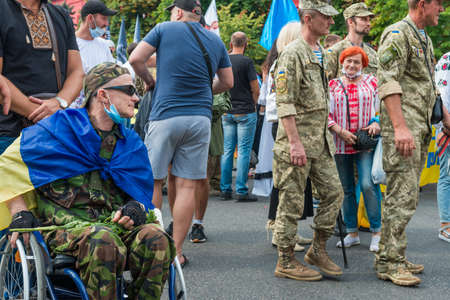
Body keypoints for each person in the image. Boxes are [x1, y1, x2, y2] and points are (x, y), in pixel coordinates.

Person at [1, 62, 175, 300]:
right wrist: (19, 211)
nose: (136, 98)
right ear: (102, 95)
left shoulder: (131, 143)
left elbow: (140, 194)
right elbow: (8, 165)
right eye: (130, 90)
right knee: (102, 238)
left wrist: (135, 208)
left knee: (157, 238)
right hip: (64, 228)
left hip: (114, 225)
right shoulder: (58, 129)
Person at [129, 0, 233, 266]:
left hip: (165, 115)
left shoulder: (164, 28)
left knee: (154, 181)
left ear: (177, 11)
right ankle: (175, 251)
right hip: (199, 119)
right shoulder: (214, 39)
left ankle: (151, 247)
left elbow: (135, 58)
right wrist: (204, 92)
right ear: (198, 14)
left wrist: (149, 80)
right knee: (188, 185)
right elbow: (228, 82)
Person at [272, 0, 344, 281]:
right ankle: (286, 260)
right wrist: (294, 143)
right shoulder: (292, 54)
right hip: (297, 142)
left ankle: (318, 249)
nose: (330, 22)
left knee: (334, 193)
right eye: (325, 18)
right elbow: (285, 102)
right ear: (308, 18)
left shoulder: (322, 52)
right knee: (290, 203)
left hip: (321, 142)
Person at [374, 0, 444, 287]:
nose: (442, 9)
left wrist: (445, 119)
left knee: (408, 197)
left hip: (418, 128)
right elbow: (387, 82)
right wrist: (400, 127)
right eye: (439, 4)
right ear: (423, 4)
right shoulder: (397, 34)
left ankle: (394, 255)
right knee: (400, 197)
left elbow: (429, 85)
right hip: (403, 131)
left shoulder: (421, 37)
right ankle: (389, 263)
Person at [256, 23, 313, 252]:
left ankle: (289, 228)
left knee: (294, 180)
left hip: (288, 123)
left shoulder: (283, 61)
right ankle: (280, 230)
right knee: (288, 180)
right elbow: (277, 101)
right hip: (284, 123)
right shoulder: (284, 63)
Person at [0, 0, 84, 154]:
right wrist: (40, 113)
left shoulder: (60, 15)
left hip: (52, 131)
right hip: (8, 134)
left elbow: (77, 71)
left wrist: (59, 102)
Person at [327, 46, 382, 252]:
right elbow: (326, 113)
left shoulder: (373, 82)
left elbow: (383, 106)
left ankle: (377, 231)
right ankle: (352, 232)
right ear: (342, 62)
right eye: (348, 61)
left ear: (363, 64)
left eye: (356, 62)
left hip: (365, 142)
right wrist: (339, 131)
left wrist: (377, 122)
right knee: (346, 189)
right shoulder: (332, 85)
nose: (352, 65)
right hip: (340, 143)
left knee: (368, 184)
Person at [220, 31, 260, 202]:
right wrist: (254, 104)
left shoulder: (224, 60)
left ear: (230, 43)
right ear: (246, 44)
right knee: (243, 152)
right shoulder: (246, 61)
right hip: (245, 111)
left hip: (227, 111)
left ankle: (225, 189)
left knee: (227, 151)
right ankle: (242, 191)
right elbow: (255, 87)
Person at [71, 0, 116, 108]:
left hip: (100, 109)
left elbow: (112, 75)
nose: (107, 24)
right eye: (104, 18)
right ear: (90, 18)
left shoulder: (104, 45)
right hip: (76, 110)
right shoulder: (70, 44)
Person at [326, 2, 377, 79]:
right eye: (363, 19)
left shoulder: (373, 54)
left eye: (369, 20)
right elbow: (325, 84)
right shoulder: (335, 52)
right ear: (350, 22)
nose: (368, 23)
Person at [435, 52, 450, 243]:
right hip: (449, 128)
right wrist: (445, 126)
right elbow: (440, 95)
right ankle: (446, 225)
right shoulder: (447, 60)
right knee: (447, 175)